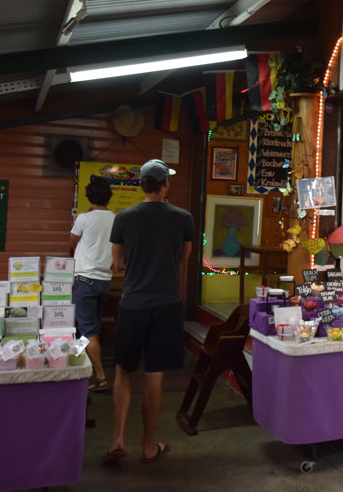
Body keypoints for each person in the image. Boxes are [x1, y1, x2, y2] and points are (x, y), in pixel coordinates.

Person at [103, 159, 193, 465]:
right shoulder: (183, 218)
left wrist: (137, 265)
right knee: (155, 376)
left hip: (132, 304)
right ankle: (147, 444)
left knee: (124, 371)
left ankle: (117, 438)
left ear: (142, 185)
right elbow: (183, 260)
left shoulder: (124, 217)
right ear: (165, 184)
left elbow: (117, 263)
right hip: (167, 305)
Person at [69, 177, 116, 392]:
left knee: (87, 330)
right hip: (104, 282)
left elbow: (71, 243)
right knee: (90, 328)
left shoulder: (83, 219)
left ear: (89, 196)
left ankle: (100, 377)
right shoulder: (115, 219)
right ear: (109, 197)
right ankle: (79, 369)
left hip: (85, 281)